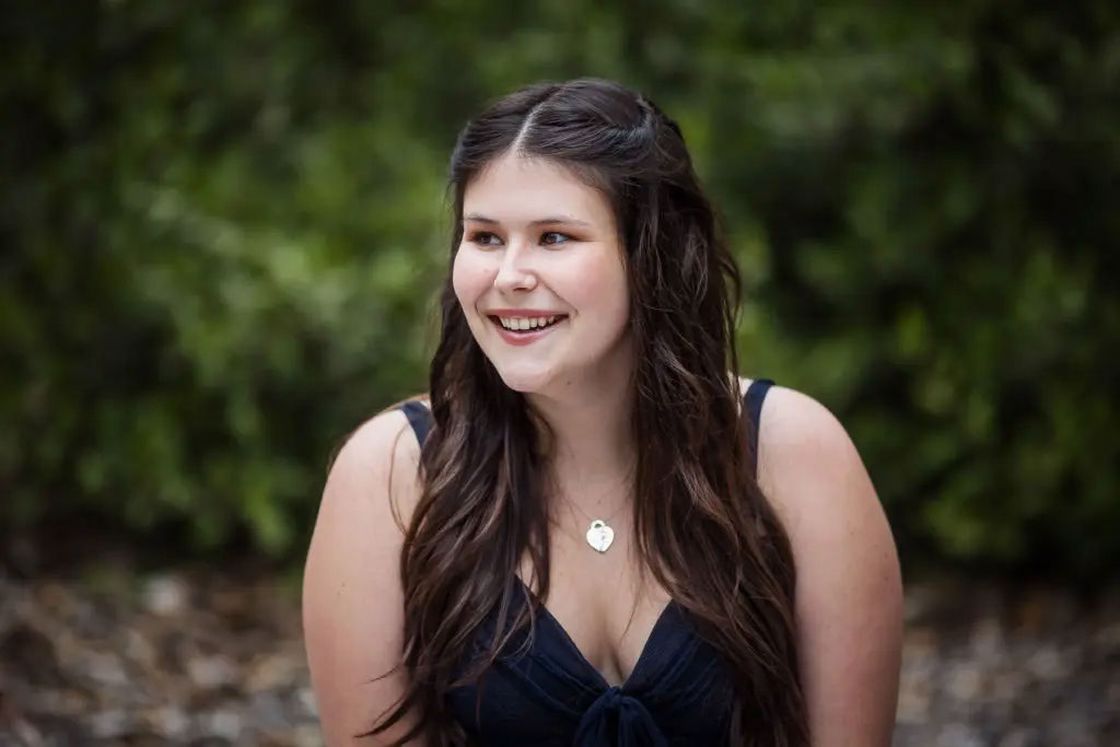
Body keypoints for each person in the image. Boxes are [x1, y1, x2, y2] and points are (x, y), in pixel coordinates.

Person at [302, 78, 902, 746]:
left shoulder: (794, 454)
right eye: (485, 237)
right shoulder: (392, 473)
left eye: (554, 237)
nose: (509, 275)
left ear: (651, 257)